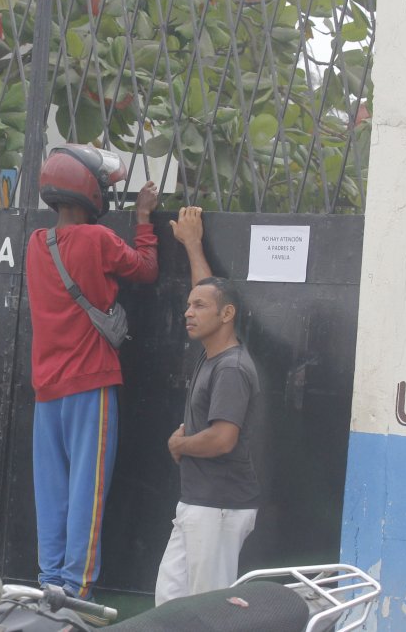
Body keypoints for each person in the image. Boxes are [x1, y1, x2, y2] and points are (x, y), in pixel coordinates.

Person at [25, 144, 158, 599]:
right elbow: (145, 269)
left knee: (52, 490)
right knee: (88, 487)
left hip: (46, 388)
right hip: (91, 383)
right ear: (90, 192)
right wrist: (143, 220)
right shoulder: (97, 240)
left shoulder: (35, 244)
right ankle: (77, 589)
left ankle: (49, 583)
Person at [155, 206, 261, 604]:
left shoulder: (231, 368)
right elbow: (210, 291)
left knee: (209, 611)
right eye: (188, 305)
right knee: (171, 602)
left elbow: (222, 440)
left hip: (219, 507)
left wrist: (179, 445)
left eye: (197, 307)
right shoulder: (212, 351)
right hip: (197, 503)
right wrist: (192, 244)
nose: (188, 312)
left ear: (226, 316)